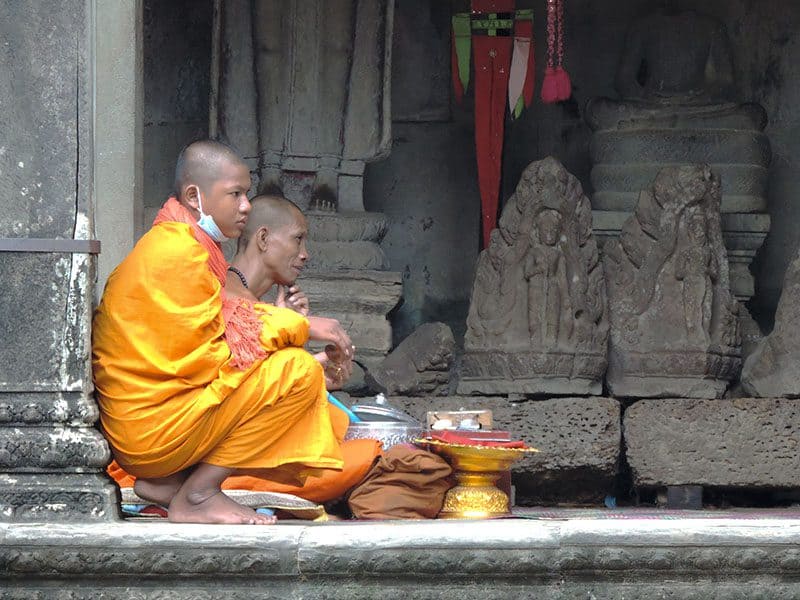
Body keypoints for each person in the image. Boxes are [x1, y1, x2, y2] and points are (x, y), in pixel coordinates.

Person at [92, 140, 355, 525]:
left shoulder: (188, 246)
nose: (246, 205)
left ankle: (173, 483)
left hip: (148, 428)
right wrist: (304, 328)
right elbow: (225, 344)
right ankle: (198, 494)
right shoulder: (176, 252)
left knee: (303, 379)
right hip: (151, 432)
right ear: (195, 196)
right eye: (235, 194)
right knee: (296, 371)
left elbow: (208, 340)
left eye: (246, 194)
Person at [225, 193, 353, 389]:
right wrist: (299, 326)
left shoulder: (264, 309)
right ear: (263, 238)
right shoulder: (217, 290)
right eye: (298, 239)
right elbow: (232, 386)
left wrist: (317, 370)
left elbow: (264, 384)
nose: (305, 254)